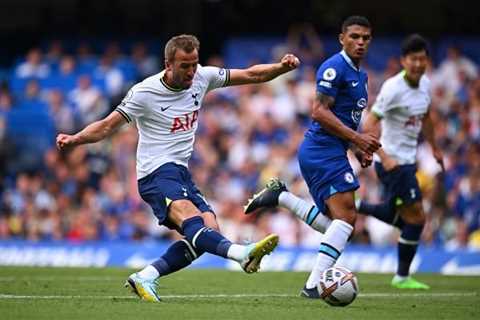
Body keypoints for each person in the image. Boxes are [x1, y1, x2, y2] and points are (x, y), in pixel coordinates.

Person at [56, 34, 300, 302]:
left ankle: (146, 276)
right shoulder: (144, 92)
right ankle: (241, 253)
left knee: (208, 230)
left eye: (194, 64)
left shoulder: (202, 78)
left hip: (180, 172)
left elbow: (252, 75)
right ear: (168, 64)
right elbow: (106, 126)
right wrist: (76, 139)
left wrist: (280, 68)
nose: (191, 71)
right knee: (194, 221)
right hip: (155, 173)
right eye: (184, 65)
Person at [244, 16, 380, 298]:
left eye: (366, 38)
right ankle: (313, 285)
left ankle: (281, 197)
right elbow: (318, 111)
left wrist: (357, 148)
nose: (360, 42)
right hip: (322, 150)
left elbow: (346, 118)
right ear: (342, 38)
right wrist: (356, 140)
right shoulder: (334, 67)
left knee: (338, 225)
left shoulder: (361, 75)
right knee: (346, 220)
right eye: (354, 36)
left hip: (332, 150)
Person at [356, 34, 443, 289]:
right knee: (416, 218)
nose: (417, 64)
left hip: (408, 161)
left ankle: (357, 205)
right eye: (413, 59)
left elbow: (426, 117)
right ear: (404, 61)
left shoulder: (426, 85)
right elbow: (370, 122)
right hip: (393, 163)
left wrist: (435, 148)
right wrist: (383, 155)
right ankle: (402, 277)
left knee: (406, 219)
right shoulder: (393, 88)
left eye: (422, 59)